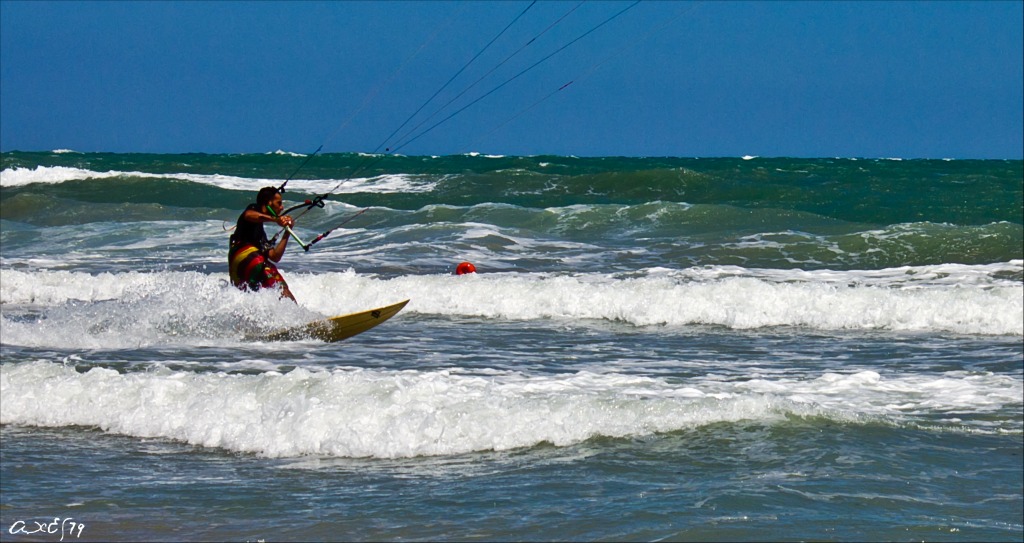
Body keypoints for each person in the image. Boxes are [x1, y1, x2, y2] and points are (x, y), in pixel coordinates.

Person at [228, 186, 297, 302]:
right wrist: (276, 219)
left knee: (271, 288)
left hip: (240, 268)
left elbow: (275, 256)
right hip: (243, 254)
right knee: (267, 270)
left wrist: (287, 232)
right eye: (279, 203)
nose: (282, 207)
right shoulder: (253, 209)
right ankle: (295, 314)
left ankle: (285, 316)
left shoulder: (261, 236)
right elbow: (249, 215)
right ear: (268, 202)